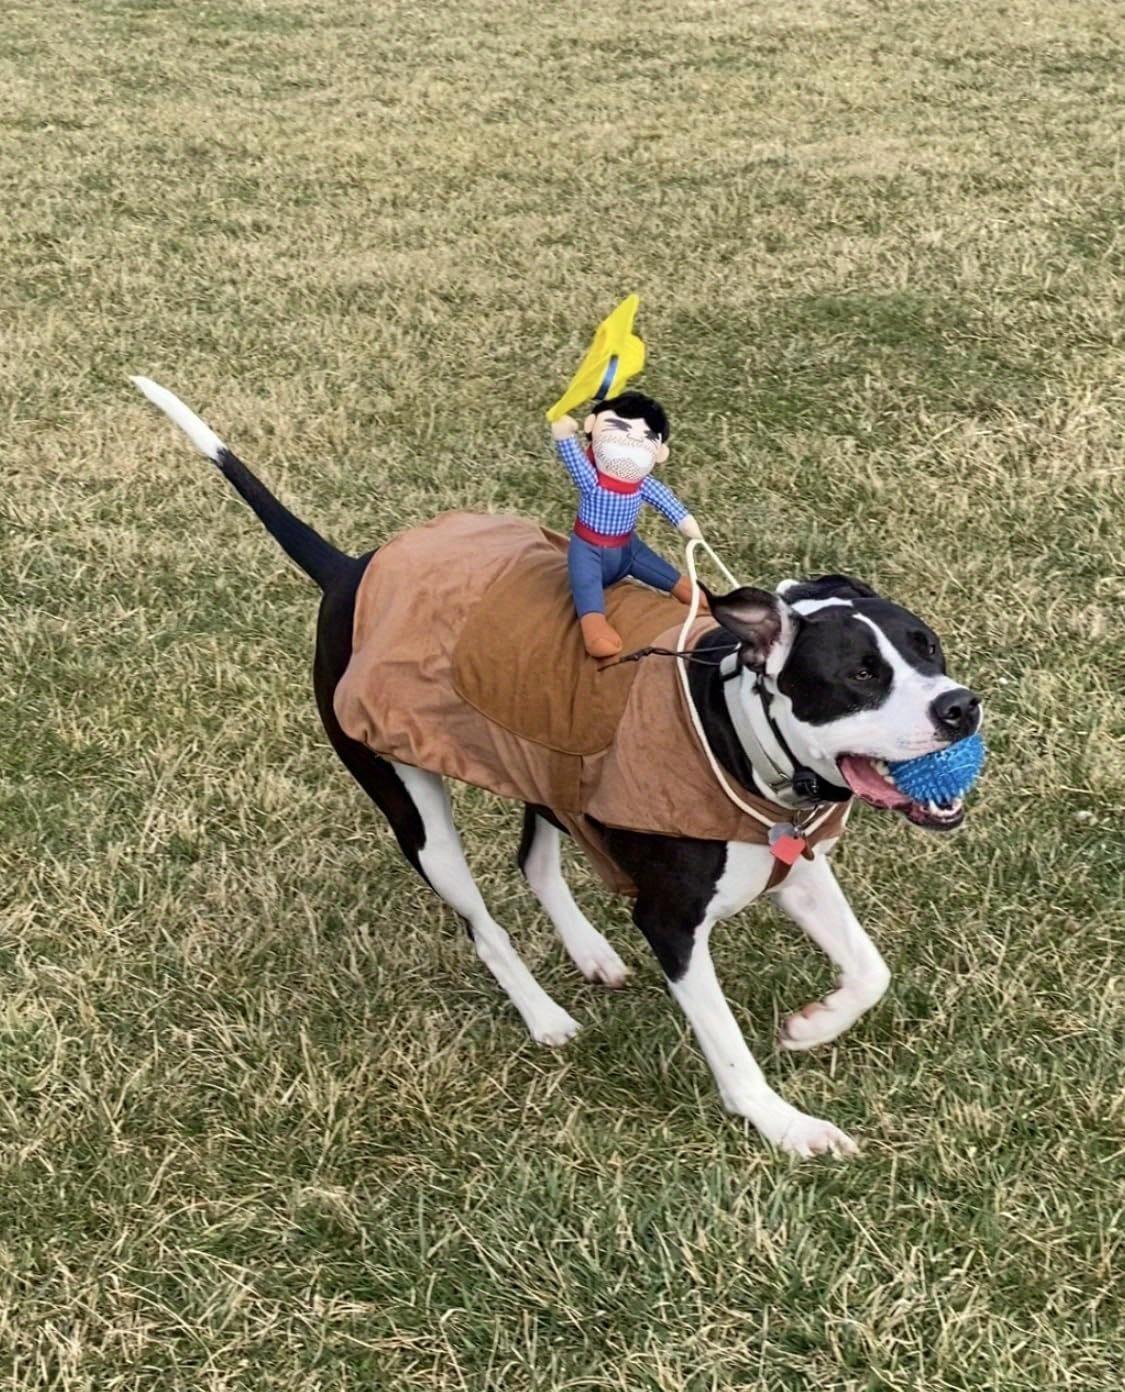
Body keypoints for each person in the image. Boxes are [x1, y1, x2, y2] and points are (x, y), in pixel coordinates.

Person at [551, 392, 704, 657]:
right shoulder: (593, 481)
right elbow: (574, 462)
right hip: (588, 551)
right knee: (585, 584)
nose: (631, 440)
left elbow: (665, 500)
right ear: (592, 426)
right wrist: (564, 436)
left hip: (628, 549)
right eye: (619, 428)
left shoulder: (642, 484)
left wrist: (685, 522)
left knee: (658, 567)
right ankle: (594, 625)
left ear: (660, 453)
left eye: (645, 437)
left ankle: (689, 592)